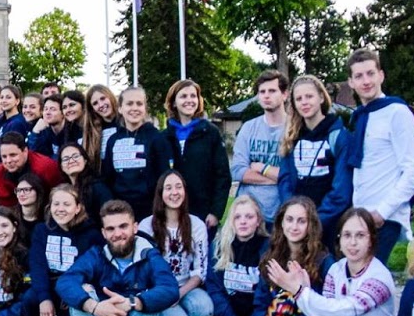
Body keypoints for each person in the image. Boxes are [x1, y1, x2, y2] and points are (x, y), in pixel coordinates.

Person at [330, 48, 414, 262]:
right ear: (351, 82)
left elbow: (413, 172)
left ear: (381, 75)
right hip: (361, 215)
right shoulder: (361, 117)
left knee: (369, 281)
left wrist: (382, 213)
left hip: (384, 216)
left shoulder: (397, 113)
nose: (366, 81)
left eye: (370, 73)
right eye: (359, 76)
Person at [242, 196, 331, 316]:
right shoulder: (271, 256)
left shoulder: (322, 261)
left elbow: (320, 313)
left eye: (301, 221)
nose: (294, 226)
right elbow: (259, 305)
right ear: (282, 223)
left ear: (311, 225)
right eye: (289, 220)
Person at [189, 195, 269, 316]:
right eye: (237, 217)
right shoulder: (219, 245)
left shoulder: (268, 249)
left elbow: (264, 300)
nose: (243, 222)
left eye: (249, 217)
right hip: (227, 315)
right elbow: (215, 291)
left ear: (258, 221)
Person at [138, 171, 216, 316]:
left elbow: (200, 271)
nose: (174, 192)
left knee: (205, 309)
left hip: (186, 287)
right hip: (158, 290)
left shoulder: (196, 225)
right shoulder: (146, 226)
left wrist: (178, 294)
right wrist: (164, 295)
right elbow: (143, 270)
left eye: (179, 187)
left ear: (185, 191)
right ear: (161, 194)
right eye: (168, 188)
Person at [24, 184, 100, 316]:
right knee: (30, 297)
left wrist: (73, 294)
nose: (60, 209)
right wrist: (44, 298)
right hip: (51, 287)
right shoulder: (42, 230)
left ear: (78, 207)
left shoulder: (91, 234)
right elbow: (37, 265)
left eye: (66, 204)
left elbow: (93, 271)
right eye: (56, 204)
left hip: (74, 292)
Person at [162, 78, 231, 228]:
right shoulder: (164, 137)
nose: (189, 100)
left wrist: (215, 212)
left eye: (193, 96)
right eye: (183, 96)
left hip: (204, 214)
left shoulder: (210, 133)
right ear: (174, 102)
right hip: (172, 215)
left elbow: (223, 175)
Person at [100, 86, 170, 220]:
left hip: (150, 210)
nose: (134, 108)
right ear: (120, 108)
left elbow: (163, 174)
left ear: (145, 108)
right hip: (120, 210)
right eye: (129, 103)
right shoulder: (113, 140)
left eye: (139, 104)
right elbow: (107, 176)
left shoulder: (157, 138)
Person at [277, 75, 344, 210]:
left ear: (321, 97)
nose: (304, 102)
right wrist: (294, 213)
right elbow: (285, 181)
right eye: (299, 99)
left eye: (309, 96)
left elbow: (341, 189)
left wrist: (317, 220)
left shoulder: (338, 136)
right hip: (297, 222)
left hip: (327, 222)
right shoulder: (291, 138)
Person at [231, 70, 289, 225]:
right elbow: (237, 171)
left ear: (285, 94)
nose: (266, 95)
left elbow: (294, 175)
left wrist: (261, 168)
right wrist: (278, 178)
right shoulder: (248, 128)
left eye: (272, 91)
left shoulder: (294, 129)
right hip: (249, 217)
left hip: (281, 215)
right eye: (262, 92)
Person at [0, 132, 61, 209]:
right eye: (4, 156)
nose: (8, 160)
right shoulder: (1, 171)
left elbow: (60, 193)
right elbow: (6, 205)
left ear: (25, 151)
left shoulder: (45, 167)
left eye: (13, 155)